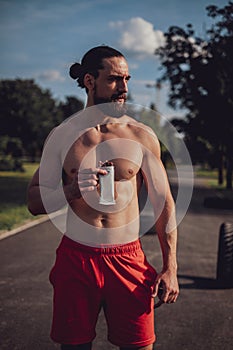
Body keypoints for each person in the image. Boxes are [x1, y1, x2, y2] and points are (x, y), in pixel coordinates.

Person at [27, 45, 179, 350]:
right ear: (89, 81)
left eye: (127, 79)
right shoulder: (62, 136)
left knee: (139, 345)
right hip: (76, 258)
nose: (124, 88)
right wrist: (71, 191)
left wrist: (170, 267)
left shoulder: (141, 136)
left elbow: (164, 202)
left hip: (127, 258)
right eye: (114, 79)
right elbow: (33, 202)